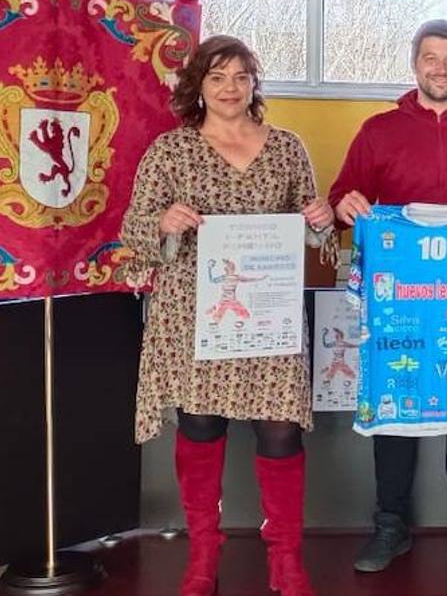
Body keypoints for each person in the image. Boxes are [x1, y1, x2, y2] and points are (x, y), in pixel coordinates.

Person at [121, 35, 335, 596]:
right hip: (193, 313)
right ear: (198, 86)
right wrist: (163, 223)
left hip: (269, 314)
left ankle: (286, 558)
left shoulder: (287, 148)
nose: (230, 88)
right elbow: (133, 229)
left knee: (282, 431)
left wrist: (320, 219)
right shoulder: (171, 150)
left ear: (253, 84)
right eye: (217, 77)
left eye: (241, 77)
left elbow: (315, 233)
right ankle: (203, 557)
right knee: (199, 425)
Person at [328, 19, 447, 574]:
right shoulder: (378, 130)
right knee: (393, 413)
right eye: (430, 58)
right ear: (414, 63)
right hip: (400, 304)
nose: (441, 68)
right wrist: (346, 205)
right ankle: (390, 523)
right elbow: (345, 194)